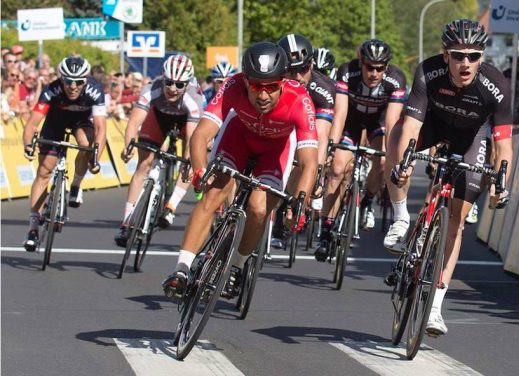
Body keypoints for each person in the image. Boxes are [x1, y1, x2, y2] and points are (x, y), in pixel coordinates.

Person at [161, 42, 318, 300]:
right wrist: (201, 170)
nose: (263, 95)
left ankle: (237, 265)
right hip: (238, 137)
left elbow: (309, 162)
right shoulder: (233, 85)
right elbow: (200, 136)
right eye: (256, 86)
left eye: (271, 87)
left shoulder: (300, 100)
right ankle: (181, 268)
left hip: (275, 150)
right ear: (245, 80)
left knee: (258, 208)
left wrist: (299, 203)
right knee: (214, 193)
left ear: (283, 81)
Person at [386, 19, 513, 336]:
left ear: (482, 56)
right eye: (458, 55)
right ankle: (401, 218)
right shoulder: (428, 71)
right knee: (397, 138)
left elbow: (503, 145)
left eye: (473, 55)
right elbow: (413, 127)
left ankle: (436, 307)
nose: (465, 63)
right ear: (446, 55)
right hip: (433, 126)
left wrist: (499, 184)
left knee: (456, 220)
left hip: (471, 139)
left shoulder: (497, 85)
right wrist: (405, 164)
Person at [314, 38, 407, 262]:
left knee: (384, 161)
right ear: (361, 62)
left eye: (379, 68)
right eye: (369, 67)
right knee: (337, 171)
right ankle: (325, 231)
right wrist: (332, 146)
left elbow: (393, 121)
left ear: (386, 67)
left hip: (379, 122)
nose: (374, 73)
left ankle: (367, 202)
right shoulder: (347, 72)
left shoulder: (396, 79)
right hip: (351, 123)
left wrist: (391, 152)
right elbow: (340, 114)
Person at [114, 54, 205, 246]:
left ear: (187, 84)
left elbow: (191, 139)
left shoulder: (194, 97)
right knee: (143, 165)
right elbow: (134, 122)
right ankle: (126, 222)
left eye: (179, 85)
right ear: (162, 79)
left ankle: (171, 207)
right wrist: (128, 146)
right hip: (158, 118)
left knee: (189, 162)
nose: (173, 89)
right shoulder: (151, 89)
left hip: (185, 121)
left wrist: (188, 160)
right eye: (169, 82)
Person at [22, 56, 106, 251]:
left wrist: (96, 158)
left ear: (86, 80)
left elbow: (101, 129)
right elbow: (32, 123)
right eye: (68, 81)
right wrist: (28, 145)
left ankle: (76, 184)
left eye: (78, 82)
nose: (73, 86)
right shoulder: (51, 90)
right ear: (61, 79)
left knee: (86, 145)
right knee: (44, 172)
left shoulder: (95, 90)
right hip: (55, 123)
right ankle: (33, 228)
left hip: (81, 122)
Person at [269, 33, 336, 249]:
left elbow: (321, 136)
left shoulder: (323, 88)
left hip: (306, 130)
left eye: (303, 69)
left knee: (305, 158)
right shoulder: (270, 82)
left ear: (312, 65)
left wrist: (317, 173)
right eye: (290, 70)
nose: (297, 77)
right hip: (275, 128)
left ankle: (287, 202)